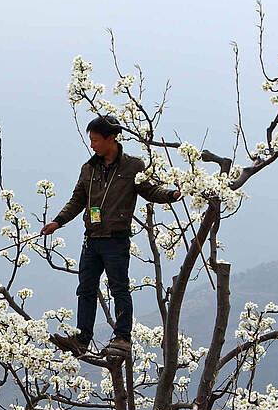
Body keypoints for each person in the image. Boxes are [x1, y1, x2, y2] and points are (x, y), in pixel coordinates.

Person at [40, 115, 182, 358]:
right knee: (85, 288)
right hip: (92, 239)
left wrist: (171, 194)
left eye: (96, 140)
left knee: (119, 288)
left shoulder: (133, 166)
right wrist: (58, 222)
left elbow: (149, 190)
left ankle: (123, 338)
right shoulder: (88, 169)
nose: (92, 145)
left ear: (111, 138)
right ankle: (82, 338)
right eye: (91, 140)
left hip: (116, 240)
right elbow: (77, 200)